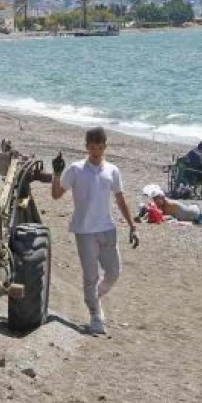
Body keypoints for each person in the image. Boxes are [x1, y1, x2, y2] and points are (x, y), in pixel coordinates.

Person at [51, 127, 137, 336]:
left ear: (105, 146)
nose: (96, 151)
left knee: (114, 272)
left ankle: (94, 296)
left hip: (107, 228)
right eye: (92, 147)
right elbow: (56, 195)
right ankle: (96, 316)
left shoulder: (113, 171)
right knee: (90, 276)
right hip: (84, 230)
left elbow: (120, 198)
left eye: (100, 146)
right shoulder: (76, 169)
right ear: (86, 147)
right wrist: (56, 174)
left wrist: (132, 225)